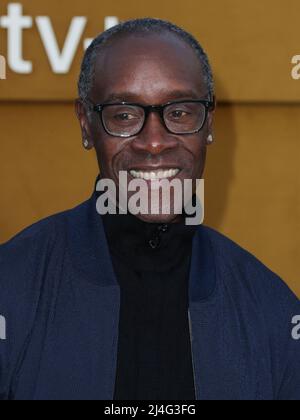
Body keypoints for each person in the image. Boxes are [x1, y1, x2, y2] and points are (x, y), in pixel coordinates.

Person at [0, 18, 299, 401]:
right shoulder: (12, 287)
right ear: (86, 124)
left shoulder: (271, 309)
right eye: (124, 115)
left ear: (208, 122)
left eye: (179, 113)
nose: (154, 142)